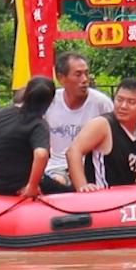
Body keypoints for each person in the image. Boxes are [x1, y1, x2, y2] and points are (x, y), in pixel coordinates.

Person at [66, 78, 136, 191]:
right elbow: (73, 151)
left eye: (131, 102)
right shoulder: (102, 125)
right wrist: (82, 186)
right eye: (119, 100)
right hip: (101, 195)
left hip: (128, 197)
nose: (123, 106)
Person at [41, 51, 114, 193]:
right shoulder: (49, 101)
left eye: (86, 73)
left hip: (91, 167)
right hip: (56, 169)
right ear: (61, 78)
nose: (85, 79)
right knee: (55, 183)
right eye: (78, 74)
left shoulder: (101, 103)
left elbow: (118, 133)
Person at [0, 76, 56, 197]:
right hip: (18, 187)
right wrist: (31, 187)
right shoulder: (38, 124)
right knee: (69, 189)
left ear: (26, 93)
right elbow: (41, 155)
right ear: (50, 101)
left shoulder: (2, 112)